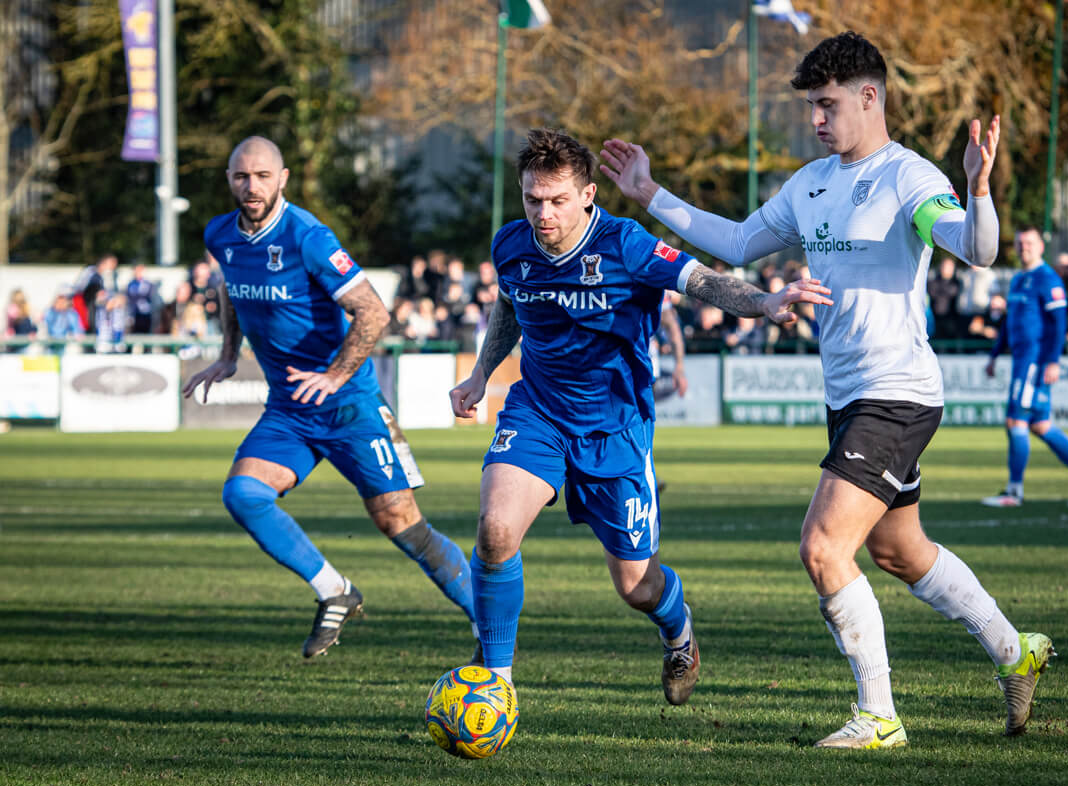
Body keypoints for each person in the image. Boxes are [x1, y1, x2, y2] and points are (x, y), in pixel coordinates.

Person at [601, 31, 1054, 747]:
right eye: (812, 105)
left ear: (869, 97)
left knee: (822, 547)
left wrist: (976, 185)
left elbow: (977, 247)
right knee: (899, 551)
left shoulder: (910, 178)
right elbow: (740, 242)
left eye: (828, 103)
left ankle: (879, 717)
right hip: (848, 397)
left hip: (896, 392)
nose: (817, 118)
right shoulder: (810, 183)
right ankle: (1014, 648)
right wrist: (650, 194)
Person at [449, 128, 829, 707]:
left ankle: (679, 633)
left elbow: (701, 280)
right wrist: (481, 374)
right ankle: (495, 686)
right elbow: (509, 303)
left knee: (635, 585)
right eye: (532, 200)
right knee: (495, 532)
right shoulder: (511, 245)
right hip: (539, 413)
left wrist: (762, 302)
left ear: (587, 196)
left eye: (555, 201)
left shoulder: (625, 244)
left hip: (616, 432)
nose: (542, 214)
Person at [182, 135, 479, 660]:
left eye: (262, 176)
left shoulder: (309, 238)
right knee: (243, 495)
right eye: (240, 177)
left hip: (350, 406)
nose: (251, 187)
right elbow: (230, 286)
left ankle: (487, 621)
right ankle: (334, 589)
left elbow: (374, 312)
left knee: (400, 524)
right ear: (228, 179)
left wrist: (337, 376)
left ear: (284, 178)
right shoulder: (220, 234)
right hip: (292, 410)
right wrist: (229, 354)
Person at [982, 228, 1068, 509]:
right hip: (1021, 361)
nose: (1024, 247)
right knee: (1040, 424)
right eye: (1021, 243)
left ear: (1040, 247)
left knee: (1015, 421)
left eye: (1029, 243)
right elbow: (1009, 324)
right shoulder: (1019, 279)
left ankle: (1014, 491)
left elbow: (1059, 325)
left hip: (1034, 363)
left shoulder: (1048, 279)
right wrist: (994, 355)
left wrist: (1052, 361)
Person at [126, 263, 160, 334]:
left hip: (145, 315)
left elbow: (151, 299)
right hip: (134, 314)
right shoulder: (131, 284)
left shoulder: (148, 284)